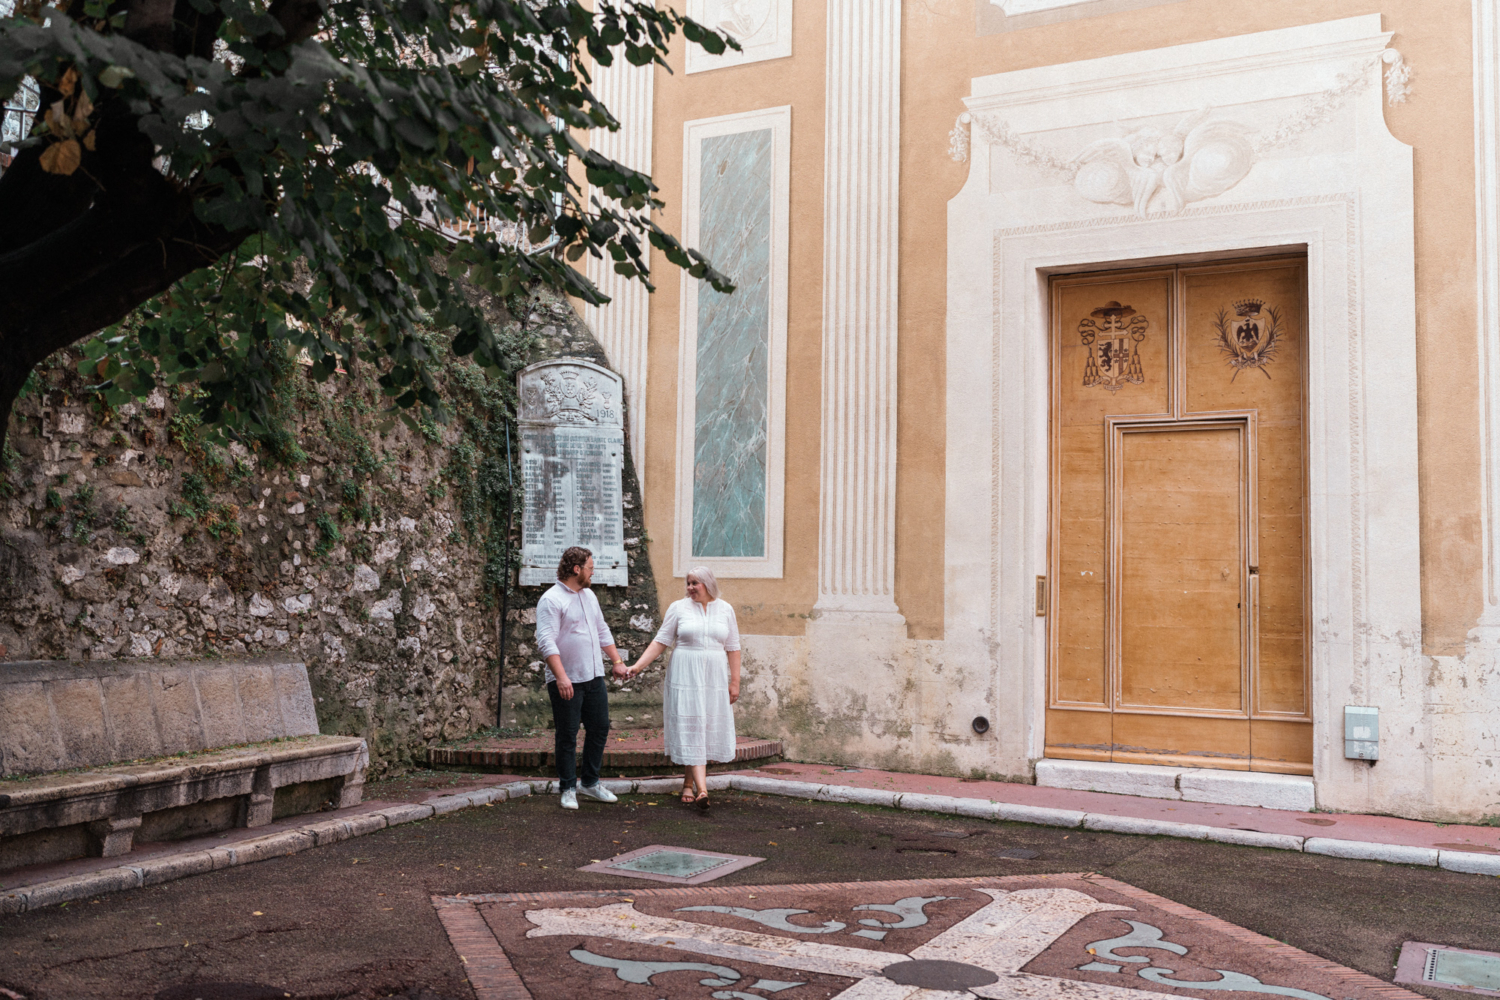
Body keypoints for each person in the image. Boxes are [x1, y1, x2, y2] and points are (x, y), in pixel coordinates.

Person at [626, 566, 740, 810]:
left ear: (708, 584)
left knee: (703, 726)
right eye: (688, 583)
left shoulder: (726, 609)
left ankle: (688, 783)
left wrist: (735, 682)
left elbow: (733, 647)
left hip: (714, 677)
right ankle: (702, 790)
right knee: (693, 724)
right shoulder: (678, 608)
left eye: (695, 583)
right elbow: (661, 641)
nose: (689, 588)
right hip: (685, 675)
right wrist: (638, 666)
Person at [535, 545, 630, 810]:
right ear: (577, 569)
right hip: (566, 679)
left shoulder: (589, 597)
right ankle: (567, 788)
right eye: (590, 568)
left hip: (594, 677)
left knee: (599, 728)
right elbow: (546, 642)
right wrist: (562, 677)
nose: (593, 573)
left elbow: (602, 630)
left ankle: (590, 783)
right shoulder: (551, 599)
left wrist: (617, 662)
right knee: (567, 734)